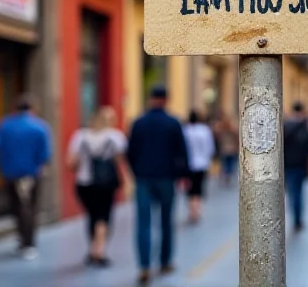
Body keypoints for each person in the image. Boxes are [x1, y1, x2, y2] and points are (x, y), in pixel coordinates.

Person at [127, 86, 189, 285]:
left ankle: (144, 266)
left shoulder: (138, 123)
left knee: (143, 223)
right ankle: (165, 261)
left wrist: (136, 172)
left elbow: (130, 152)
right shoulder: (173, 123)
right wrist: (182, 175)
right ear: (166, 99)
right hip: (166, 178)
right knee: (166, 222)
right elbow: (181, 153)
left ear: (150, 99)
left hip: (144, 178)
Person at [66, 106, 126, 266]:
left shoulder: (80, 136)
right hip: (106, 183)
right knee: (103, 216)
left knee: (92, 215)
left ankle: (93, 249)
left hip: (85, 183)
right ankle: (99, 250)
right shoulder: (115, 137)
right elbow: (121, 160)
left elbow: (71, 163)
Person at [0, 95, 51, 260]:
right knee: (30, 208)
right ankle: (29, 243)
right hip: (30, 173)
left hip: (10, 172)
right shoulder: (39, 127)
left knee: (16, 208)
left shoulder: (4, 126)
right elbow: (44, 154)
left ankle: (22, 240)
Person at [283, 102, 308, 232]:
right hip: (301, 165)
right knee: (298, 192)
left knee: (292, 191)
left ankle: (294, 216)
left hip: (288, 164)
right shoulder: (305, 127)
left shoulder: (285, 126)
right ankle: (297, 218)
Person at [183, 110, 214, 224]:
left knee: (190, 189)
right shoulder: (205, 130)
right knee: (199, 187)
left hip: (188, 164)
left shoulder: (185, 130)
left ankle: (192, 211)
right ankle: (197, 210)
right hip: (202, 163)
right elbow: (209, 147)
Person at [213, 113, 239, 187]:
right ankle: (228, 175)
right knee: (230, 165)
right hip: (231, 150)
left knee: (226, 164)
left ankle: (227, 175)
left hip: (225, 150)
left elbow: (219, 141)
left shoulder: (223, 132)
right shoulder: (232, 132)